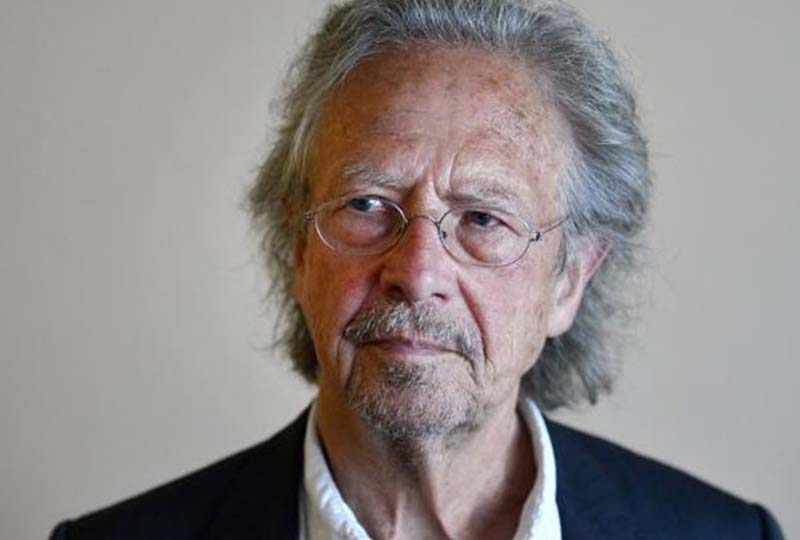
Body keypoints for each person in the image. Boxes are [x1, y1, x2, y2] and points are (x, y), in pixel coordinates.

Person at [50, 0, 784, 539]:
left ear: (570, 281)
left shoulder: (723, 536)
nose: (417, 270)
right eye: (367, 204)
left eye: (483, 219)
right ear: (298, 246)